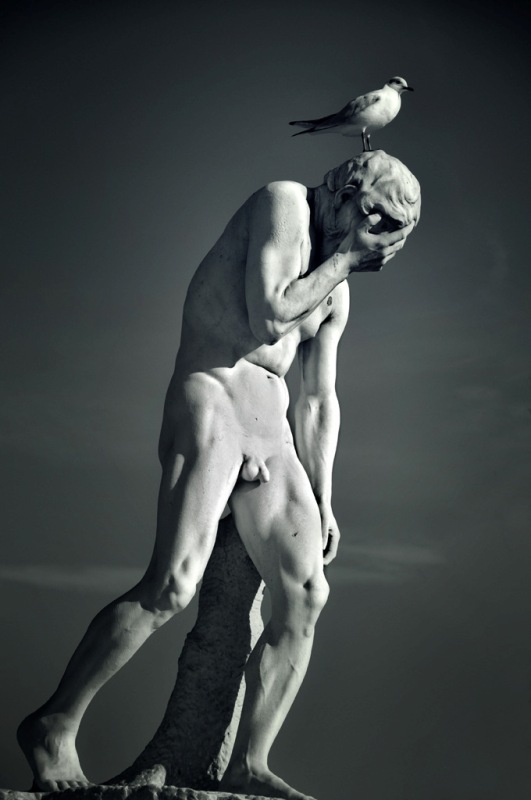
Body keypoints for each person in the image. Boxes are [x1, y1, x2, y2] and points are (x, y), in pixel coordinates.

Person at [18, 150, 420, 800]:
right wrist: (344, 257)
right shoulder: (284, 203)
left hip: (272, 423)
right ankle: (52, 725)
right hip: (213, 389)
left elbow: (318, 399)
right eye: (378, 222)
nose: (380, 245)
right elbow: (267, 314)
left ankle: (247, 761)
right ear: (348, 194)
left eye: (393, 237)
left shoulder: (335, 293)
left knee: (306, 593)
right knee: (172, 585)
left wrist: (323, 495)